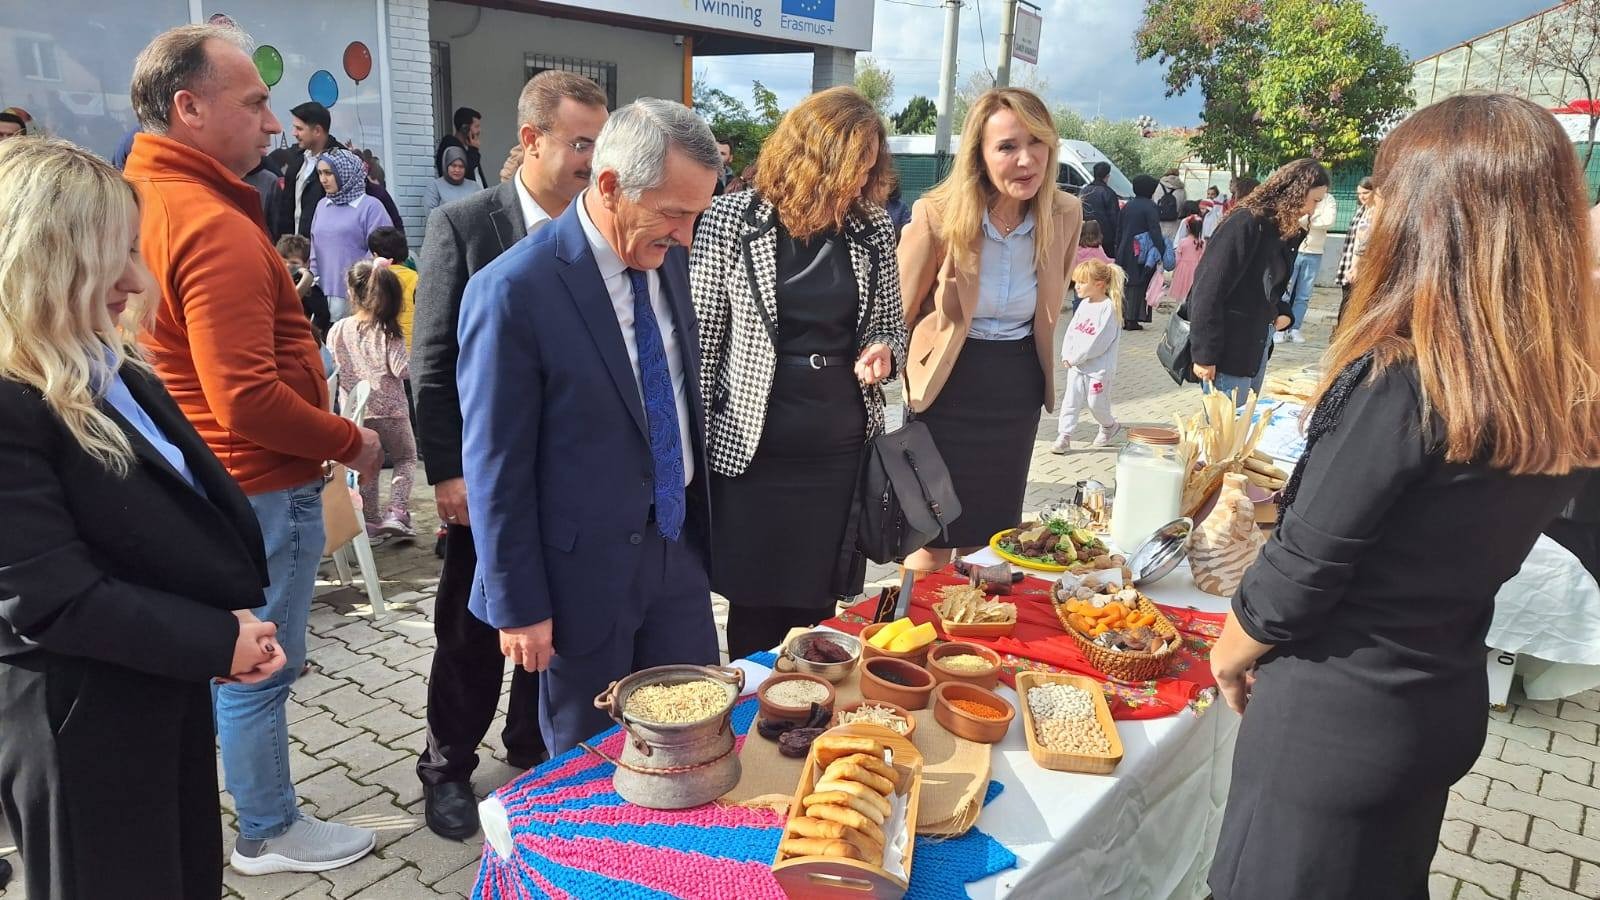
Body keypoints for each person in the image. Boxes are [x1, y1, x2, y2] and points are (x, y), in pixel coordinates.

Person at [1208, 93, 1600, 900]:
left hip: (1335, 719)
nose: (1368, 210)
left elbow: (1305, 566)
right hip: (1435, 705)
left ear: (1435, 214)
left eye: (1382, 190)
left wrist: (1229, 651)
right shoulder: (1557, 381)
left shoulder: (1407, 375)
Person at [123, 23, 381, 875]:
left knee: (225, 660)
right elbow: (245, 396)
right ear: (188, 108)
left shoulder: (143, 199)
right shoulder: (213, 224)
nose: (273, 125)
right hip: (261, 484)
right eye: (256, 102)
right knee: (261, 666)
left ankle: (235, 814)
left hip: (204, 479)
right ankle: (268, 829)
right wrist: (352, 438)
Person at [0, 136, 282, 900]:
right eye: (108, 259)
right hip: (83, 723)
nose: (134, 280)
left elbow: (160, 515)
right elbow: (51, 597)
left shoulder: (105, 362)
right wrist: (216, 637)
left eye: (133, 249)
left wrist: (218, 618)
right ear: (41, 262)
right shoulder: (12, 398)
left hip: (156, 685)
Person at [457, 98, 722, 756]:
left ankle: (679, 862)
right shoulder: (514, 291)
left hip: (674, 553)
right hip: (578, 581)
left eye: (697, 214)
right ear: (610, 186)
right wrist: (517, 604)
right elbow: (497, 465)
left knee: (693, 741)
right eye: (674, 212)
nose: (687, 235)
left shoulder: (670, 259)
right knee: (591, 767)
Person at [411, 69, 607, 841]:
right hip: (489, 481)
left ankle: (531, 751)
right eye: (581, 142)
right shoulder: (467, 226)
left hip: (571, 487)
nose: (596, 160)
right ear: (531, 141)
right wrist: (449, 471)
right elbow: (430, 362)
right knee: (471, 631)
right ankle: (446, 765)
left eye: (601, 140)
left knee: (551, 624)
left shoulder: (599, 225)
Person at [690, 86, 906, 661]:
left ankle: (805, 707)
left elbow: (889, 325)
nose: (862, 183)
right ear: (813, 159)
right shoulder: (730, 220)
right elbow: (703, 338)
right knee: (753, 601)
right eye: (853, 168)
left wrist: (883, 350)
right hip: (754, 447)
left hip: (836, 448)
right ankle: (754, 706)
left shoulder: (872, 228)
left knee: (815, 605)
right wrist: (700, 438)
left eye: (870, 168)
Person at [899, 88, 1083, 574]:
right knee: (932, 538)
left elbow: (1052, 298)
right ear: (979, 155)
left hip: (1014, 387)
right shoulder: (936, 214)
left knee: (991, 539)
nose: (1026, 160)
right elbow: (902, 309)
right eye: (1006, 147)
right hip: (946, 388)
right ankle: (906, 638)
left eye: (1037, 143)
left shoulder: (1065, 214)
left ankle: (970, 641)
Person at [1187, 159, 1329, 403]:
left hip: (1255, 346)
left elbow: (1270, 286)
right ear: (1295, 192)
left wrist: (1282, 311)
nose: (1312, 210)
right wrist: (1204, 354)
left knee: (1242, 429)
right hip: (1227, 350)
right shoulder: (1246, 223)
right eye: (1314, 200)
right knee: (1225, 435)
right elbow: (1207, 290)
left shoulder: (1280, 229)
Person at [328, 261, 417, 540]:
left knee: (368, 465)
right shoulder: (388, 331)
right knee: (406, 458)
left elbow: (332, 366)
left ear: (352, 294)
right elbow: (401, 368)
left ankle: (370, 520)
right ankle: (397, 511)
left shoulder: (338, 329)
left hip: (356, 413)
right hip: (392, 411)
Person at [310, 148, 395, 321]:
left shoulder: (371, 207)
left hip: (358, 298)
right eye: (320, 173)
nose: (323, 179)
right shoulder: (322, 205)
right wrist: (312, 280)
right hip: (322, 295)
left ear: (345, 173)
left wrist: (359, 282)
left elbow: (381, 250)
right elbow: (314, 245)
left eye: (329, 173)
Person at [1051, 259, 1126, 454]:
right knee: (1070, 400)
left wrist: (1075, 357)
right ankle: (1064, 436)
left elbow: (1098, 342)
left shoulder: (1108, 308)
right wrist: (1066, 353)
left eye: (1082, 282)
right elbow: (1071, 331)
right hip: (1077, 366)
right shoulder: (1084, 304)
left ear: (1099, 284)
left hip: (1099, 370)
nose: (1076, 287)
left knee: (1096, 404)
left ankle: (1109, 426)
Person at [270, 101, 341, 239]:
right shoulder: (298, 159)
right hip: (295, 251)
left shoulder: (340, 161)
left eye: (299, 129)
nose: (294, 133)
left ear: (317, 131)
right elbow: (287, 210)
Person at [1276, 190, 1337, 344]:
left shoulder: (1329, 199)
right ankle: (1280, 328)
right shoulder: (1302, 194)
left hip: (1315, 252)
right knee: (1285, 291)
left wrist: (1309, 220)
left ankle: (1295, 328)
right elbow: (1295, 217)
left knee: (1304, 294)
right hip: (1295, 248)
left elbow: (1329, 221)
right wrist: (1312, 219)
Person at [1114, 174, 1166, 330]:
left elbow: (1119, 229)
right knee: (1138, 283)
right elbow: (1155, 230)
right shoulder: (1150, 207)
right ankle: (1132, 319)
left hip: (1125, 248)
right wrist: (1161, 249)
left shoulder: (1128, 206)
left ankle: (1122, 316)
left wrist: (1118, 248)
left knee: (1126, 283)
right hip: (1141, 251)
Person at [1334, 176, 1375, 331]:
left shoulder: (1375, 213)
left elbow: (1364, 242)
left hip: (1362, 266)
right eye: (1359, 193)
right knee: (1346, 303)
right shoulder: (1362, 211)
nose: (1362, 197)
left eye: (1365, 193)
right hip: (1350, 262)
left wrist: (1356, 266)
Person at [368, 226, 417, 347]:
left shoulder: (372, 279)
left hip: (382, 344)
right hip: (412, 344)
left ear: (375, 255)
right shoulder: (416, 278)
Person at [276, 233, 331, 337]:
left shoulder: (311, 289)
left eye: (294, 263)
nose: (288, 266)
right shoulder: (274, 282)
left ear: (306, 264)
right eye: (284, 262)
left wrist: (312, 334)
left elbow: (322, 315)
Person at [425, 145, 482, 221]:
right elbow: (431, 216)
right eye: (453, 165)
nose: (457, 170)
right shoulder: (435, 186)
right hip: (443, 231)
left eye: (461, 166)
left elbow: (481, 212)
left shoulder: (474, 187)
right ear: (446, 165)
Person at [1077, 160, 1121, 257]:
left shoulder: (1084, 191)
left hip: (1084, 236)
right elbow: (1114, 218)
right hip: (1105, 239)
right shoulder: (1108, 193)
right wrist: (1118, 237)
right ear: (1107, 176)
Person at [434, 106, 486, 187]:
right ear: (465, 128)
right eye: (476, 126)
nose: (479, 130)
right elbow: (464, 172)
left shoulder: (468, 147)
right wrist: (474, 150)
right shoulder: (450, 144)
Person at [1068, 219, 1112, 312]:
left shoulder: (1077, 248)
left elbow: (1072, 263)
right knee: (1092, 300)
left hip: (1080, 279)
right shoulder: (1097, 249)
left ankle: (1077, 316)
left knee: (1078, 299)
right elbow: (1105, 262)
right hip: (1092, 280)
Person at [1168, 214, 1205, 305]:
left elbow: (1177, 258)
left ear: (1188, 228)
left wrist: (1174, 271)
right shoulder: (1202, 243)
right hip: (1196, 268)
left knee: (1181, 293)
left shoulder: (1183, 242)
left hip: (1183, 269)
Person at [1156, 167, 1186, 243]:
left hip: (1159, 222)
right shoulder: (1181, 189)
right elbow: (1182, 206)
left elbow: (1154, 202)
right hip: (1174, 224)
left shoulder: (1158, 186)